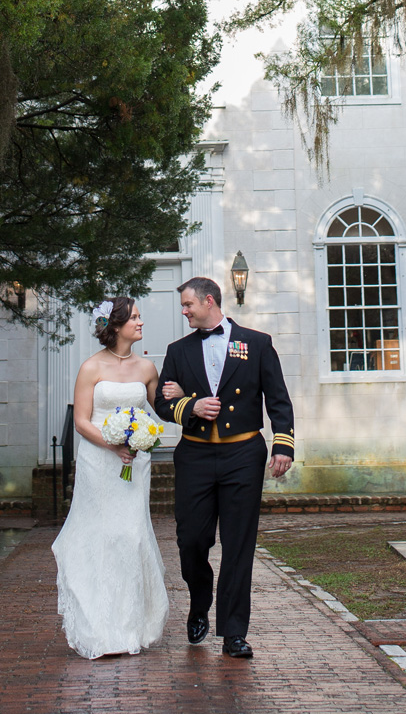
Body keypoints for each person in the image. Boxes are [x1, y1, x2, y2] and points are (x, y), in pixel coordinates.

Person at [155, 277, 295, 659]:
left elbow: (278, 399)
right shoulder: (178, 351)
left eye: (187, 305)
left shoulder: (257, 343)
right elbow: (161, 403)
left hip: (243, 456)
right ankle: (200, 600)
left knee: (238, 545)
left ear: (209, 301)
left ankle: (234, 632)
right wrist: (191, 406)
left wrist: (283, 444)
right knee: (191, 541)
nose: (183, 311)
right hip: (196, 457)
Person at [53, 296, 169, 659]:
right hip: (98, 462)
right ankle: (99, 626)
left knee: (131, 534)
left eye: (139, 317)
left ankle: (131, 625)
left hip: (134, 464)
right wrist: (112, 442)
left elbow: (160, 409)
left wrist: (172, 409)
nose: (141, 323)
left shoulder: (147, 368)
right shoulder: (91, 368)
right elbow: (82, 420)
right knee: (102, 535)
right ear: (115, 326)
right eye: (134, 318)